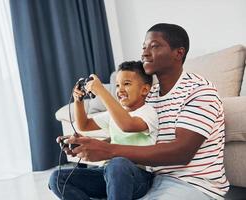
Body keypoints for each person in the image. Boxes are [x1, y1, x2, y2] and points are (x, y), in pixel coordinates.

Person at [51, 23, 230, 200]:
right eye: (144, 47)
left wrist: (108, 149)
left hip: (191, 183)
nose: (144, 53)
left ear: (179, 53)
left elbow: (182, 152)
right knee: (59, 180)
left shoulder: (199, 91)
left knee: (118, 164)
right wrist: (87, 145)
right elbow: (132, 139)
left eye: (154, 46)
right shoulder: (148, 96)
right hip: (150, 178)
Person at [49, 61, 158, 200]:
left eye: (127, 84)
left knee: (118, 163)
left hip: (138, 177)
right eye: (117, 85)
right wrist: (78, 101)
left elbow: (127, 125)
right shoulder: (114, 113)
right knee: (57, 178)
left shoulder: (147, 112)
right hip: (108, 173)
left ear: (144, 90)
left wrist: (101, 91)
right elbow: (84, 125)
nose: (120, 89)